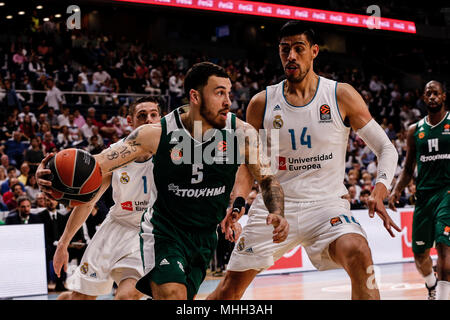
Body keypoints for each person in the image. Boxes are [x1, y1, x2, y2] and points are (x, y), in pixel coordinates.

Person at [39, 61, 288, 300]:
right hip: (161, 232)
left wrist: (275, 211)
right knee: (164, 295)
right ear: (196, 96)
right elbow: (97, 164)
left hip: (203, 236)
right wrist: (53, 174)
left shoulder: (241, 133)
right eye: (219, 93)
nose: (228, 101)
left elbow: (267, 178)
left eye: (229, 93)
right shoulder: (155, 134)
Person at [207, 21, 400, 301]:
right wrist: (237, 204)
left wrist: (380, 188)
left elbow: (386, 148)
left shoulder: (339, 95)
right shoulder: (261, 102)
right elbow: (249, 164)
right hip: (274, 207)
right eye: (285, 50)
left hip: (326, 206)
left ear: (314, 52)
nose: (291, 57)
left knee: (359, 251)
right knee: (228, 292)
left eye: (299, 49)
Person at [37, 96, 163, 300]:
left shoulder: (174, 152)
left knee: (126, 297)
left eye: (153, 115)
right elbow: (88, 201)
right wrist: (63, 243)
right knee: (80, 298)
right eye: (142, 115)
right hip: (115, 227)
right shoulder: (114, 154)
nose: (148, 120)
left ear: (160, 119)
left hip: (148, 232)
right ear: (129, 122)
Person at [388, 80, 449, 300]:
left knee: (444, 247)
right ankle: (431, 285)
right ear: (423, 98)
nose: (432, 97)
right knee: (420, 254)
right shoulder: (414, 131)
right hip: (424, 196)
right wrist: (395, 191)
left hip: (447, 193)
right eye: (428, 94)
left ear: (443, 97)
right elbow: (407, 168)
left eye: (436, 93)